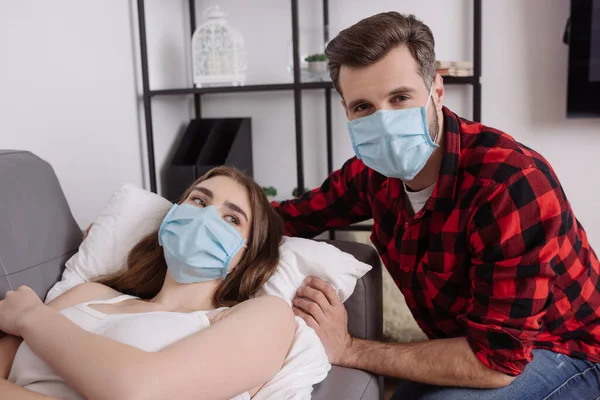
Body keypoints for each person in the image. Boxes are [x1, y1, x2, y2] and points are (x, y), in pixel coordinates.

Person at [277, 12, 600, 399]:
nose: (385, 121)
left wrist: (349, 348)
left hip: (567, 351)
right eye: (363, 106)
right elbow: (291, 216)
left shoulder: (511, 182)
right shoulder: (371, 174)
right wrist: (211, 218)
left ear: (437, 91)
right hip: (470, 343)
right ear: (346, 111)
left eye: (400, 97)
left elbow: (496, 362)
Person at [0, 166, 295, 400]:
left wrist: (30, 316)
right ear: (171, 218)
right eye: (198, 200)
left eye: (232, 219)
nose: (205, 217)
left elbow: (138, 391)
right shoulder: (91, 293)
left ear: (246, 259)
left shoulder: (265, 315)